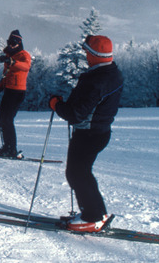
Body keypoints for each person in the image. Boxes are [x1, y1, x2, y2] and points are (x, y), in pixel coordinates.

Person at [49, 35, 123, 233]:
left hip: (88, 134)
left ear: (96, 55)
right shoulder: (111, 72)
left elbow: (75, 114)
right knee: (82, 172)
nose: (85, 55)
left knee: (76, 173)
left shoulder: (97, 80)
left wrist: (56, 105)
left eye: (87, 52)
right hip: (99, 132)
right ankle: (96, 213)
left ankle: (92, 217)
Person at [0, 30, 31, 158]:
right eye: (9, 42)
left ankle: (11, 149)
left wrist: (12, 61)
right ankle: (6, 147)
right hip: (8, 90)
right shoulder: (9, 56)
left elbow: (26, 66)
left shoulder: (24, 55)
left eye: (13, 43)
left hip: (17, 92)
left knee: (8, 120)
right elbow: (6, 75)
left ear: (19, 43)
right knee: (3, 119)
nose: (11, 45)